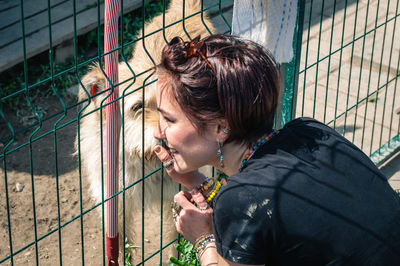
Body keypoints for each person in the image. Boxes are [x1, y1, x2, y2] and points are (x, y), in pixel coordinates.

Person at [153, 34, 400, 265]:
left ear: (221, 127)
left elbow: (251, 205)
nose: (157, 132)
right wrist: (195, 181)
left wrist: (203, 239)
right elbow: (268, 210)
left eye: (169, 119)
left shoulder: (242, 200)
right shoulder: (309, 131)